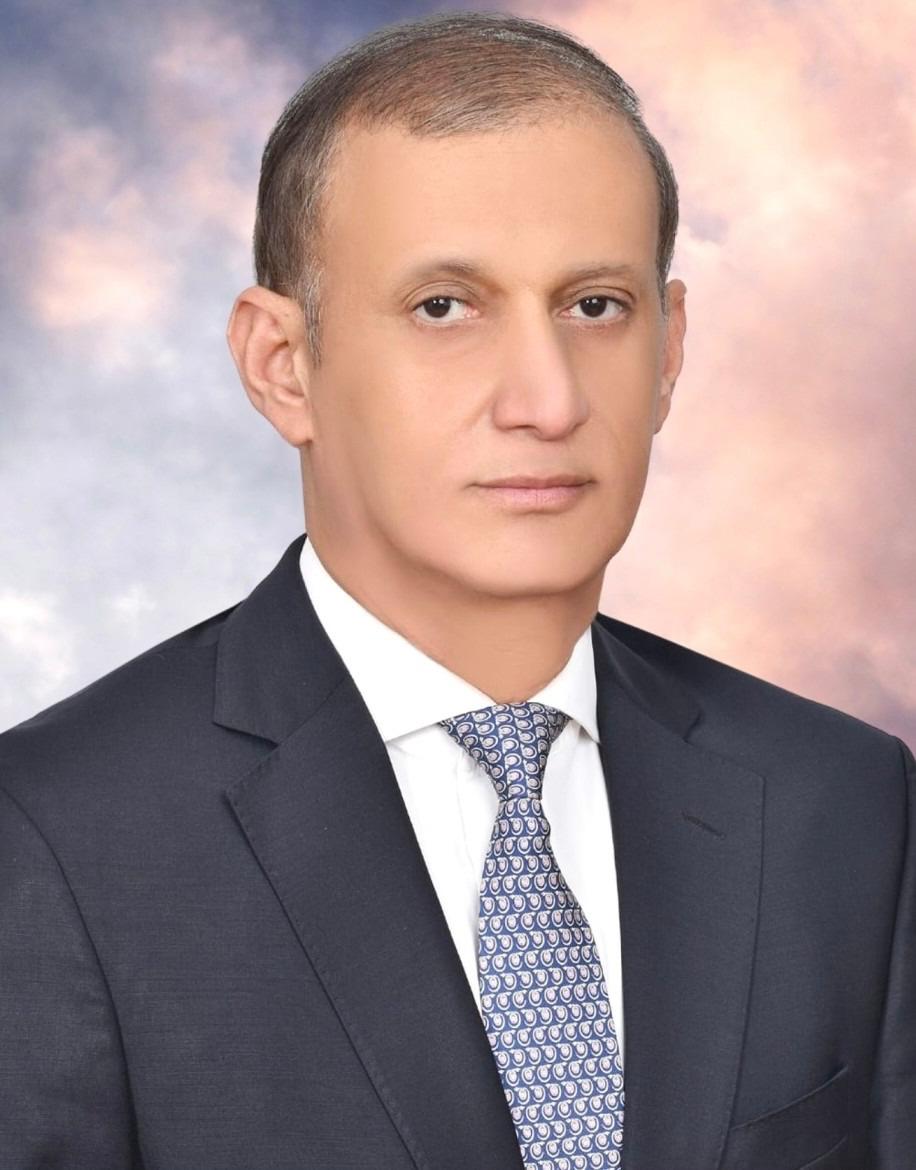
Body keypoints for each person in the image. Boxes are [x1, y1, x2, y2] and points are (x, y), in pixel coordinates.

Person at [1, 10, 912, 1170]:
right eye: (443, 307)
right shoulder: (51, 836)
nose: (546, 399)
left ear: (669, 350)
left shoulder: (845, 801)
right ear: (283, 366)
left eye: (595, 305)